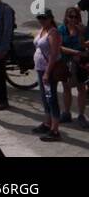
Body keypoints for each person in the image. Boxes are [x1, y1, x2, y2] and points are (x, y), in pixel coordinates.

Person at [33, 10, 63, 142]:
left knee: (51, 99)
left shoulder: (53, 33)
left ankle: (55, 130)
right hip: (40, 69)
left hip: (48, 71)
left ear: (51, 19)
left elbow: (53, 54)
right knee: (45, 98)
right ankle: (47, 123)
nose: (42, 20)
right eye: (40, 18)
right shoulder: (42, 30)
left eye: (44, 18)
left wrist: (47, 72)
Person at [58, 7, 89, 127]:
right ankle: (66, 113)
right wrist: (75, 53)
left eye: (76, 16)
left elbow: (84, 45)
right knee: (66, 88)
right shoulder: (62, 29)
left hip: (80, 63)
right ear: (66, 17)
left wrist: (81, 33)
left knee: (81, 89)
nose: (73, 19)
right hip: (66, 62)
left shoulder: (83, 29)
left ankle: (81, 115)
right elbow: (59, 46)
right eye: (71, 16)